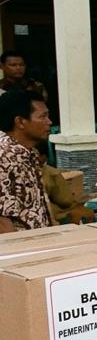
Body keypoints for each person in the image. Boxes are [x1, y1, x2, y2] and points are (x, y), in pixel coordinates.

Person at [0, 90, 54, 233]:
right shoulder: (6, 157)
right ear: (20, 122)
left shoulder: (27, 152)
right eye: (42, 117)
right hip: (22, 247)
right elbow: (2, 222)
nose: (49, 122)